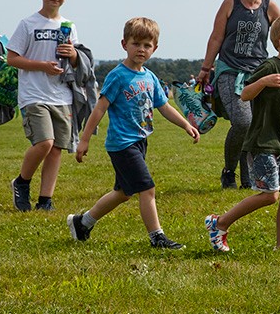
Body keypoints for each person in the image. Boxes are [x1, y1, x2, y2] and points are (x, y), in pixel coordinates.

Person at [69, 18, 199, 249]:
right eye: (136, 43)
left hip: (140, 142)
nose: (141, 49)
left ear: (155, 48)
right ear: (124, 44)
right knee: (147, 189)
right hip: (122, 144)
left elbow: (164, 106)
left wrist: (186, 125)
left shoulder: (149, 77)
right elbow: (99, 108)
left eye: (147, 45)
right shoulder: (118, 76)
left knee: (123, 193)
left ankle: (83, 223)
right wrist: (85, 139)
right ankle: (157, 237)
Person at [205, 14, 280, 253]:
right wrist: (264, 81)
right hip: (262, 142)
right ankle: (220, 223)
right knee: (270, 195)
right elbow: (245, 94)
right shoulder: (270, 66)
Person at [195, 0, 280, 190]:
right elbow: (216, 37)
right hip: (229, 71)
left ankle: (247, 179)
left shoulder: (269, 7)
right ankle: (228, 172)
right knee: (243, 122)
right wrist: (205, 68)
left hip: (258, 75)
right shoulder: (230, 3)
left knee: (254, 127)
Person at [7, 0, 79, 213]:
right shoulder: (28, 24)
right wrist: (42, 66)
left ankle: (45, 200)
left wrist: (73, 54)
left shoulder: (68, 26)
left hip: (62, 95)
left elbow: (77, 63)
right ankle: (22, 182)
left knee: (56, 148)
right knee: (44, 142)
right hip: (34, 94)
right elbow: (12, 58)